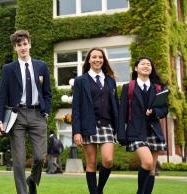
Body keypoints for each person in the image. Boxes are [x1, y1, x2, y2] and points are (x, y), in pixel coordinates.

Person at [0, 30, 52, 194]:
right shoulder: (8, 69)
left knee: (40, 157)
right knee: (19, 161)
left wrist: (46, 111)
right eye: (19, 45)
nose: (22, 48)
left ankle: (32, 180)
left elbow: (47, 93)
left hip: (38, 115)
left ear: (30, 44)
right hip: (16, 116)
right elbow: (2, 96)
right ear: (15, 48)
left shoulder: (41, 66)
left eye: (25, 44)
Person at [72, 48, 119, 194]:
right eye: (94, 57)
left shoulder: (110, 81)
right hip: (88, 125)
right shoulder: (80, 81)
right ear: (89, 60)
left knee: (108, 160)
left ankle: (99, 190)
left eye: (100, 57)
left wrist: (120, 128)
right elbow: (76, 108)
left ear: (103, 60)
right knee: (91, 163)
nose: (97, 59)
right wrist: (77, 132)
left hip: (107, 126)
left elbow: (115, 106)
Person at [117, 57, 168, 194]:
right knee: (147, 162)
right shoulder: (128, 87)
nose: (146, 66)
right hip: (136, 131)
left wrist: (154, 112)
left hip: (154, 131)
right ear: (136, 68)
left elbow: (164, 110)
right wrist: (121, 133)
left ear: (151, 69)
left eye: (149, 64)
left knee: (151, 169)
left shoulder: (158, 88)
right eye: (143, 64)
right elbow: (122, 112)